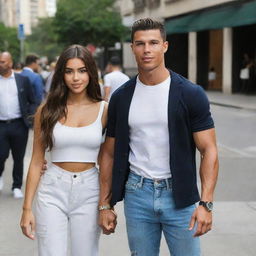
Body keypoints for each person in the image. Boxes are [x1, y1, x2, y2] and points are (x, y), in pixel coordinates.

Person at [99, 18, 219, 256]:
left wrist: (206, 204)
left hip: (179, 195)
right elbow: (109, 152)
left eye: (153, 43)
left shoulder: (190, 93)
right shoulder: (122, 97)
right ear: (132, 47)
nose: (147, 50)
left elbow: (209, 150)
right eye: (140, 43)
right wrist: (105, 204)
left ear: (165, 46)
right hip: (137, 192)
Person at [20, 45, 108, 256]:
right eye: (69, 71)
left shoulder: (105, 109)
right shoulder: (47, 110)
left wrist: (107, 204)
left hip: (89, 189)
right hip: (52, 188)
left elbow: (108, 158)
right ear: (61, 74)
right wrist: (26, 209)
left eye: (82, 70)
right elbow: (35, 161)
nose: (75, 78)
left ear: (91, 73)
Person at [0, 52, 36, 198]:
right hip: (1, 125)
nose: (0, 64)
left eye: (2, 62)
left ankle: (16, 186)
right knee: (1, 155)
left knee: (18, 157)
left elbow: (32, 100)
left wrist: (29, 116)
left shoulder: (22, 80)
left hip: (19, 125)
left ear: (10, 63)